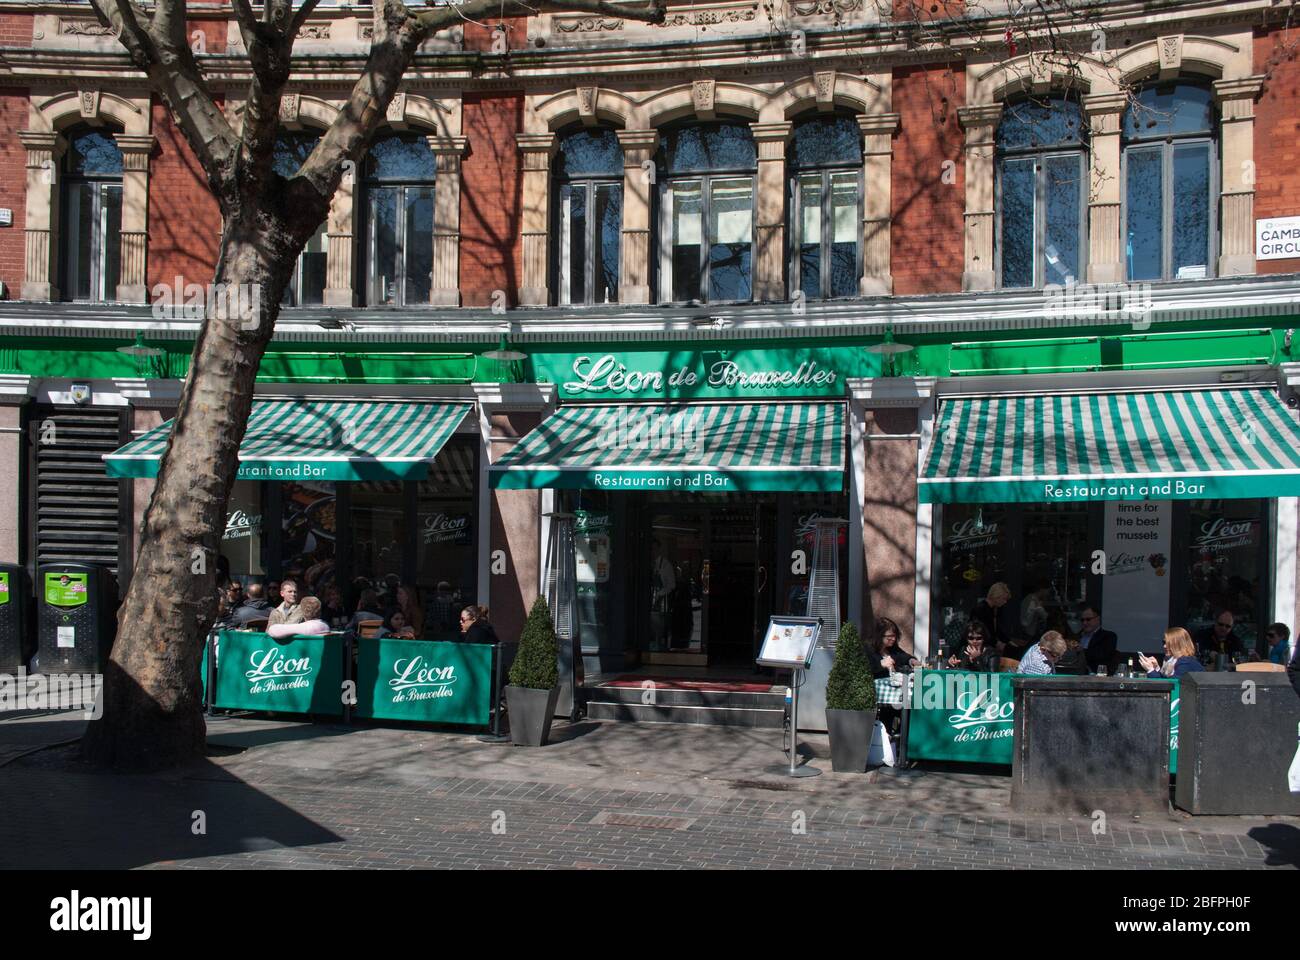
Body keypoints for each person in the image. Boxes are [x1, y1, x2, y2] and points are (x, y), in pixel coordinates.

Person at [1139, 627, 1205, 679]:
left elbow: (1170, 686)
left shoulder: (1185, 662)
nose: (1164, 646)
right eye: (1164, 642)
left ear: (1178, 645)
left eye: (1168, 644)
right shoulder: (1174, 659)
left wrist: (1150, 669)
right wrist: (1156, 668)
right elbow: (1166, 680)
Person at [1076, 604, 1119, 674]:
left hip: (1097, 675)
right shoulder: (1077, 636)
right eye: (1082, 620)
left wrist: (1082, 651)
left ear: (1098, 619)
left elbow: (1103, 656)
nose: (1085, 623)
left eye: (1088, 619)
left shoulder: (1108, 636)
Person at [650, 539, 676, 651]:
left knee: (659, 629)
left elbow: (672, 585)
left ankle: (659, 648)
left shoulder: (665, 565)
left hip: (660, 603)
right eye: (651, 549)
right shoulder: (648, 564)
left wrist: (659, 595)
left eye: (655, 549)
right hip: (650, 600)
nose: (653, 551)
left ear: (659, 549)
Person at [971, 582, 1012, 651]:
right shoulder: (980, 609)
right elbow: (979, 632)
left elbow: (997, 630)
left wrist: (1009, 642)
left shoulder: (995, 609)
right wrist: (997, 643)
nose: (1005, 602)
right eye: (1003, 599)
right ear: (996, 596)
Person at [267, 597, 331, 638]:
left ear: (302, 612)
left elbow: (272, 630)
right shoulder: (325, 625)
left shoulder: (305, 628)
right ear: (320, 611)